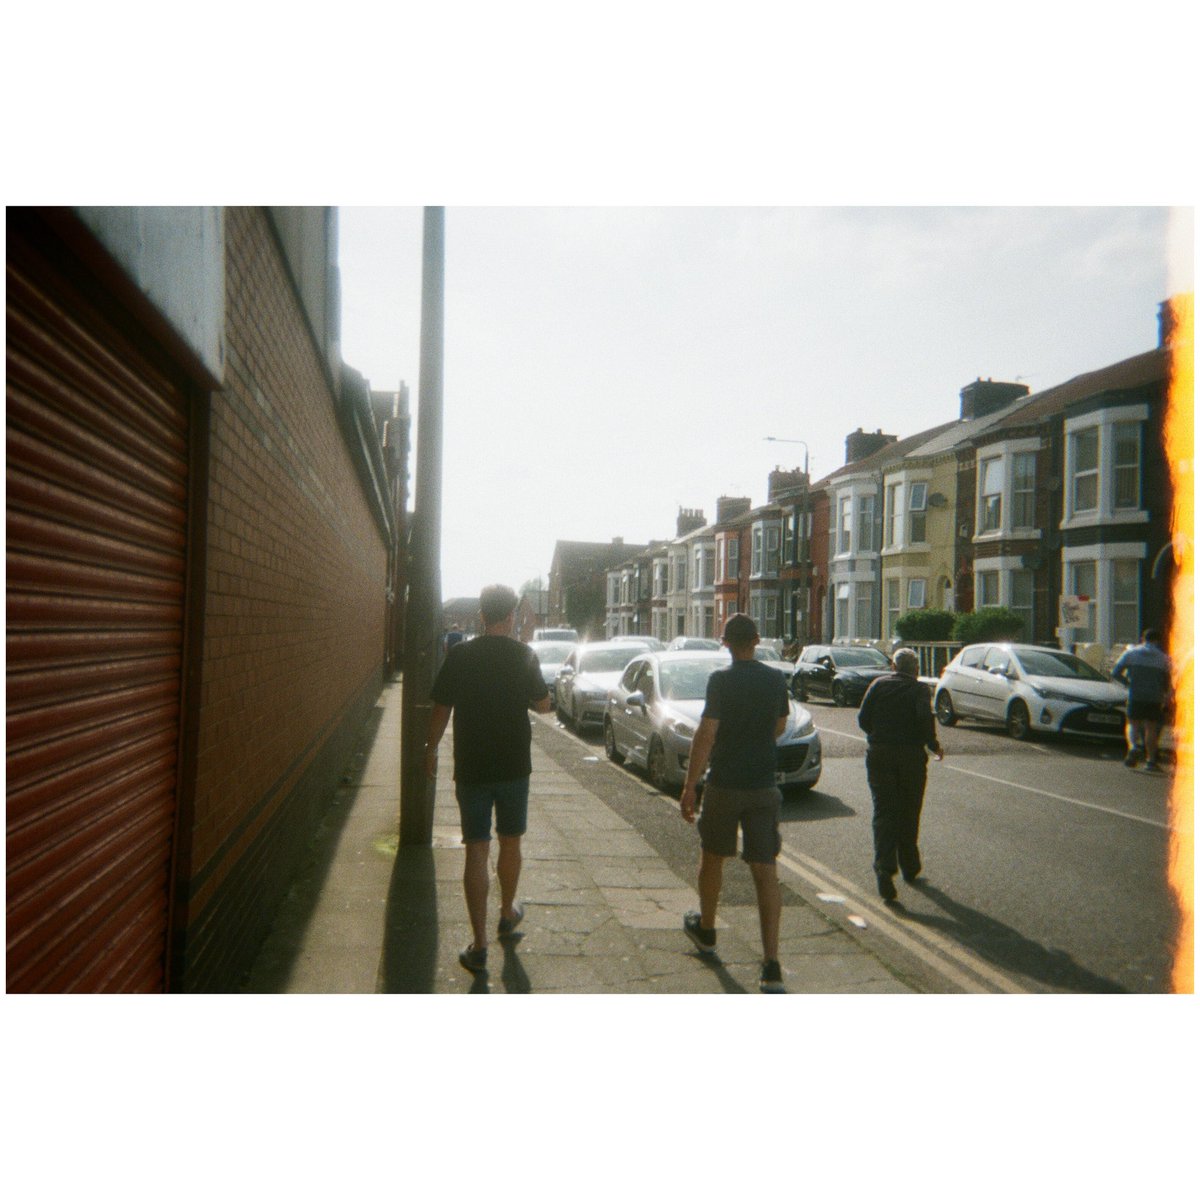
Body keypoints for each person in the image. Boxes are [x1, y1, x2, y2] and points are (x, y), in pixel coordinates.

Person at [426, 585, 552, 975]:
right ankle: (507, 912)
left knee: (476, 850)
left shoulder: (461, 654)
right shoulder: (524, 655)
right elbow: (545, 707)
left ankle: (479, 944)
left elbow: (441, 708)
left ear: (481, 615)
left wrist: (429, 750)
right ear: (512, 615)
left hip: (473, 765)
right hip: (514, 765)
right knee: (511, 841)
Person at [679, 613, 791, 993]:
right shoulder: (775, 679)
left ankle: (707, 930)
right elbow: (779, 726)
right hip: (762, 784)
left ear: (725, 643)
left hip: (725, 783)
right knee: (765, 870)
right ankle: (771, 964)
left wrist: (690, 786)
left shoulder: (720, 681)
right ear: (757, 640)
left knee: (713, 857)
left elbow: (707, 734)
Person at [857, 647, 943, 902]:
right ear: (915, 670)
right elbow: (924, 721)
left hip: (880, 754)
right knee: (909, 810)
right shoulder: (919, 690)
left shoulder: (878, 685)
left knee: (884, 812)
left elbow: (862, 719)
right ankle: (910, 865)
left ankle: (885, 868)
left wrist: (879, 735)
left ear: (893, 667)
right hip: (910, 758)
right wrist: (933, 745)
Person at [1112, 629, 1172, 772]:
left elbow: (1115, 673)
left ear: (1142, 638)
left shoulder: (1131, 653)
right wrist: (1166, 696)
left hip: (1136, 695)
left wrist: (1128, 683)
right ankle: (1150, 761)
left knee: (1133, 724)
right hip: (1154, 697)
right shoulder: (1163, 658)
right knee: (1150, 728)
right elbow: (1168, 681)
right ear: (1157, 641)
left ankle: (1134, 747)